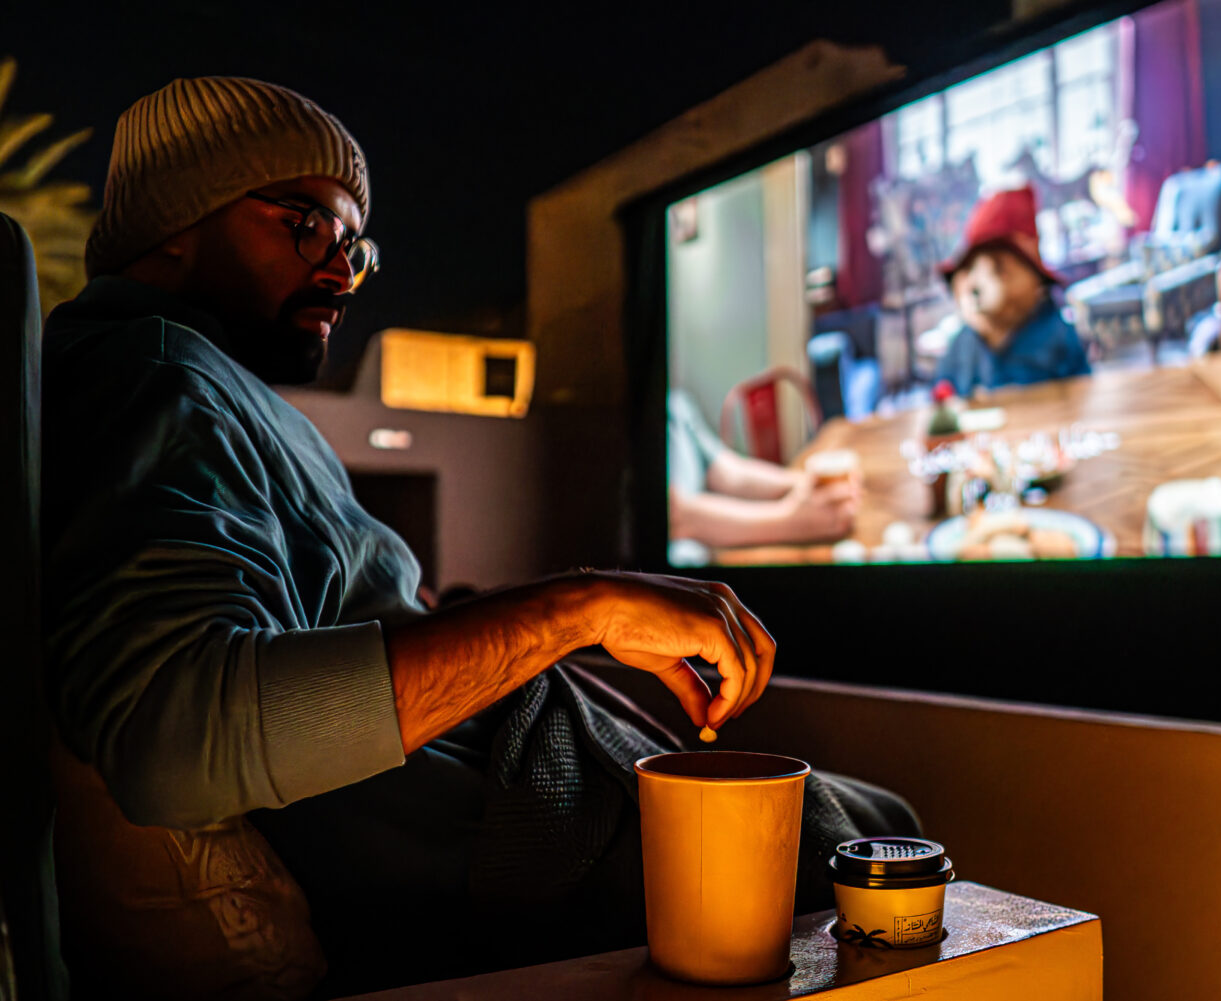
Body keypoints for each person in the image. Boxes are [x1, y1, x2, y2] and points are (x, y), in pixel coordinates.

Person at [41, 77, 917, 999]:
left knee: (863, 820)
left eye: (354, 246)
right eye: (305, 224)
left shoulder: (199, 380)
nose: (341, 271)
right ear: (170, 223)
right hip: (515, 856)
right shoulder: (154, 378)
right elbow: (170, 736)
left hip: (518, 808)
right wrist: (582, 606)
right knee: (884, 838)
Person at [935, 186, 1091, 397]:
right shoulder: (963, 342)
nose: (975, 284)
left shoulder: (1056, 334)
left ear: (1035, 282)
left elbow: (1083, 393)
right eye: (969, 268)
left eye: (999, 269)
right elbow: (943, 392)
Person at [667, 388, 859, 549]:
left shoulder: (675, 403)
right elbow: (676, 517)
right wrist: (791, 520)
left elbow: (729, 473)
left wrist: (806, 484)